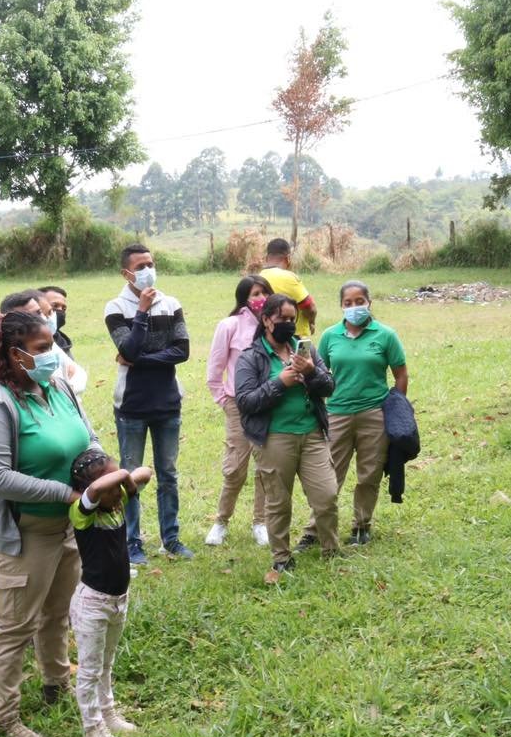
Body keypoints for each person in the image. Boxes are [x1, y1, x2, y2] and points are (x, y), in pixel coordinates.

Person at [0, 309, 101, 737]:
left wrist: (100, 472)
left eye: (54, 345)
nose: (54, 355)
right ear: (16, 354)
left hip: (68, 527)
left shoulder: (58, 386)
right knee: (13, 627)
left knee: (57, 612)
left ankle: (56, 684)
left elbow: (90, 436)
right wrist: (65, 493)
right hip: (23, 533)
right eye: (44, 349)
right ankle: (5, 719)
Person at [234, 293, 339, 580]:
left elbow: (329, 387)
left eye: (293, 319)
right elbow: (245, 401)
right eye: (282, 319)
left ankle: (331, 548)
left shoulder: (306, 349)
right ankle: (281, 557)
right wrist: (279, 383)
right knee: (279, 500)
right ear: (266, 320)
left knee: (327, 494)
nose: (289, 324)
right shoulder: (251, 357)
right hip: (274, 437)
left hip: (313, 432)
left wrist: (312, 372)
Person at [298, 280, 408, 547]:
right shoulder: (329, 337)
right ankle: (315, 530)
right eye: (348, 303)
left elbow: (401, 374)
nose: (354, 307)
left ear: (369, 302)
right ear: (341, 306)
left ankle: (361, 525)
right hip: (337, 413)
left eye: (359, 301)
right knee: (328, 477)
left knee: (369, 474)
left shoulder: (386, 335)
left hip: (375, 414)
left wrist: (397, 408)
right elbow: (319, 372)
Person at [104, 243, 194, 563]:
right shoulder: (115, 307)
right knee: (130, 477)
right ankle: (132, 544)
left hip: (168, 402)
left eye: (151, 264)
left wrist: (142, 359)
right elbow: (127, 350)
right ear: (126, 272)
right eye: (140, 266)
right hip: (131, 406)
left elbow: (181, 351)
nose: (147, 270)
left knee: (168, 474)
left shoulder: (172, 304)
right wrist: (141, 312)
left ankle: (171, 538)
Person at [66, 449, 153, 737]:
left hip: (118, 600)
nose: (118, 494)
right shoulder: (81, 513)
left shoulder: (115, 504)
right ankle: (93, 729)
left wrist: (124, 483)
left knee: (106, 665)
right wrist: (121, 479)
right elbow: (96, 489)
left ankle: (108, 714)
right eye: (111, 487)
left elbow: (147, 472)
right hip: (92, 604)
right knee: (89, 670)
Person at [204, 274, 273, 547]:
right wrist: (224, 400)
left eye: (265, 293)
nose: (260, 299)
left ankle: (261, 522)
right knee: (235, 467)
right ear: (244, 297)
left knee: (266, 467)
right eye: (255, 293)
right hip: (238, 404)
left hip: (269, 403)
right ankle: (221, 521)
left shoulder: (274, 324)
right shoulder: (230, 325)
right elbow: (215, 368)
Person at [0, 289, 87, 395]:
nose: (43, 318)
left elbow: (80, 376)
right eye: (33, 315)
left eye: (40, 312)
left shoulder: (49, 343)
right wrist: (66, 386)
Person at [259, 237, 317, 337]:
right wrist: (312, 322)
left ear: (266, 258)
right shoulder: (289, 277)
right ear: (288, 258)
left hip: (268, 336)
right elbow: (309, 307)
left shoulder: (258, 278)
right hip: (295, 338)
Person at [39, 285, 75, 357]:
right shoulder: (27, 343)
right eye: (54, 306)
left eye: (64, 308)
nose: (60, 310)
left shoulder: (62, 342)